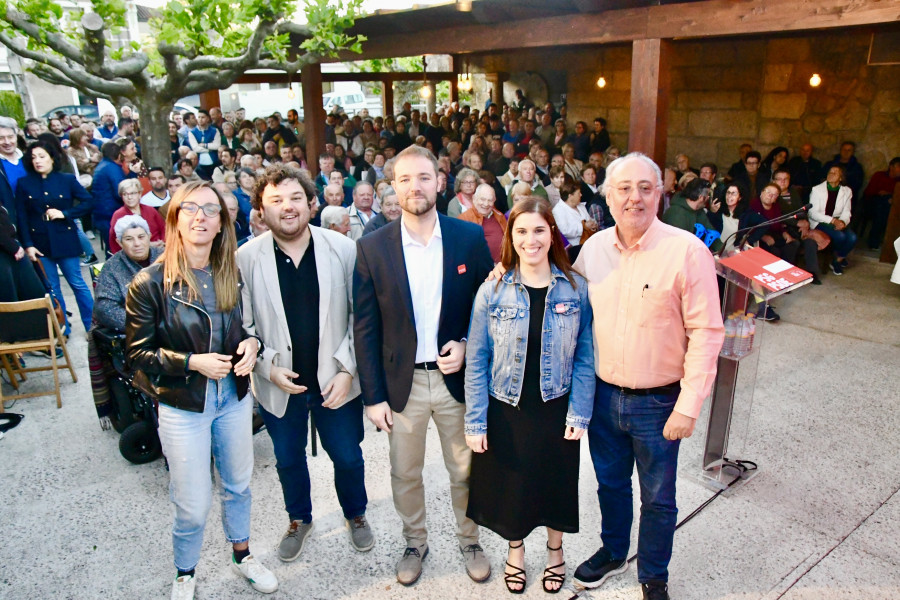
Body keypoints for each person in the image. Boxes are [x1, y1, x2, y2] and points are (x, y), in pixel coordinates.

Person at [570, 153, 724, 600]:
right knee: (610, 485)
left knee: (658, 497)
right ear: (608, 195)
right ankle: (614, 551)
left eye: (645, 187)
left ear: (660, 193)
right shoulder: (593, 249)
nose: (633, 197)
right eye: (624, 188)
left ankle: (653, 574)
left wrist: (689, 405)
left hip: (659, 403)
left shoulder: (687, 251)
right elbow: (567, 306)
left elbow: (707, 332)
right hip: (601, 398)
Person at [125, 181, 277, 600]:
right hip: (183, 403)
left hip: (233, 397)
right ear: (174, 217)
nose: (200, 217)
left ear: (221, 223)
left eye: (210, 210)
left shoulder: (230, 270)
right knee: (191, 501)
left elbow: (241, 330)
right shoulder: (150, 282)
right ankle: (185, 572)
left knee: (239, 485)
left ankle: (242, 555)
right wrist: (192, 363)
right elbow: (136, 355)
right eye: (190, 208)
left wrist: (252, 344)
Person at [353, 145, 494, 587]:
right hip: (403, 385)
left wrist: (469, 344)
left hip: (456, 381)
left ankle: (469, 538)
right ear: (392, 187)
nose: (416, 187)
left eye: (424, 178)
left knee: (465, 468)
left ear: (440, 182)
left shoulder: (467, 238)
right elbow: (365, 328)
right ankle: (415, 541)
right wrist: (373, 397)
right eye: (406, 179)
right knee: (404, 471)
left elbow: (489, 307)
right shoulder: (372, 248)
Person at [237, 163, 373, 563]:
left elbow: (359, 317)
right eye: (276, 200)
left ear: (312, 204)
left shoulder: (343, 249)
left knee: (349, 456)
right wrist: (266, 368)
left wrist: (349, 371)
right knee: (288, 459)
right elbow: (243, 327)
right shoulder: (246, 258)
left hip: (336, 379)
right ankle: (299, 518)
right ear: (261, 210)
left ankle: (356, 513)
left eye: (296, 197)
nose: (288, 207)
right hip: (281, 383)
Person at [465, 197, 593, 594]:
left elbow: (586, 356)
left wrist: (579, 413)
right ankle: (515, 552)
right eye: (521, 231)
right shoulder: (492, 292)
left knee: (555, 484)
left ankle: (555, 553)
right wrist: (476, 420)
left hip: (556, 407)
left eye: (539, 229)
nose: (530, 239)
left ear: (552, 233)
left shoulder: (576, 289)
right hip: (508, 406)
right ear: (511, 236)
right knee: (513, 486)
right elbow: (477, 358)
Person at [14, 140, 95, 337]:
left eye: (42, 156)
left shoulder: (66, 179)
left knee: (77, 283)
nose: (37, 161)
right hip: (40, 241)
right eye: (33, 157)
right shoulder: (24, 183)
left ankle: (92, 326)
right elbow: (22, 216)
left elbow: (88, 202)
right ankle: (63, 328)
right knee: (52, 287)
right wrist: (28, 245)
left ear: (52, 158)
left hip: (64, 237)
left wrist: (66, 213)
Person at [93, 215, 163, 332]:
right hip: (137, 331)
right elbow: (105, 308)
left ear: (149, 237)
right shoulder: (112, 267)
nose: (137, 243)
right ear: (119, 242)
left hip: (172, 326)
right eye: (129, 239)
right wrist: (143, 324)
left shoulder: (165, 257)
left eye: (141, 237)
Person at [809, 165, 856, 276]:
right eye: (830, 172)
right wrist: (833, 221)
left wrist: (843, 222)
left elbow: (846, 211)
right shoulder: (817, 190)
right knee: (840, 237)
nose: (831, 174)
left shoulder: (847, 191)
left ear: (841, 178)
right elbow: (813, 213)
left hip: (839, 221)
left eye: (835, 173)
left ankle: (837, 260)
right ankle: (839, 258)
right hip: (820, 221)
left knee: (853, 238)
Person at [109, 179, 166, 254]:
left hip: (160, 249)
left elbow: (164, 228)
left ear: (139, 194)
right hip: (134, 253)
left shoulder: (150, 210)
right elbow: (116, 241)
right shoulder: (118, 215)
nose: (129, 197)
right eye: (125, 194)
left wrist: (163, 242)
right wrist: (148, 245)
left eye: (133, 193)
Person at [458, 183, 507, 263]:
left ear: (494, 201)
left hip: (503, 267)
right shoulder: (464, 219)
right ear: (474, 198)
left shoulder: (500, 216)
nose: (486, 204)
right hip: (479, 269)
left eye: (490, 200)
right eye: (482, 199)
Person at [552, 176, 596, 248]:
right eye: (579, 193)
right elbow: (564, 231)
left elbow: (589, 220)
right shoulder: (558, 210)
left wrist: (593, 225)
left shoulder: (580, 206)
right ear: (570, 196)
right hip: (575, 246)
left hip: (590, 240)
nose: (581, 195)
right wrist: (584, 227)